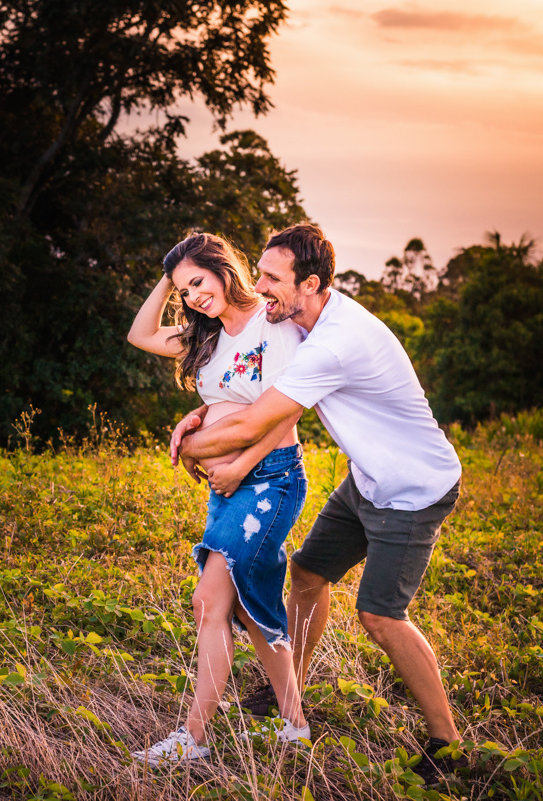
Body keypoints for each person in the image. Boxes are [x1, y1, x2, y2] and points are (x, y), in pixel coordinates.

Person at [170, 223, 465, 786]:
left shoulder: (333, 342)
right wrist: (202, 418)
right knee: (306, 573)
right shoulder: (302, 320)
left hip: (413, 490)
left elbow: (258, 419)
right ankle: (290, 696)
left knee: (380, 615)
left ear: (310, 284)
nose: (259, 288)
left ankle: (447, 744)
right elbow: (247, 394)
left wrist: (184, 444)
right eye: (258, 273)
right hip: (368, 479)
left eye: (272, 279)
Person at [125, 232, 311, 768]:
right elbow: (140, 334)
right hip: (226, 483)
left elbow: (285, 411)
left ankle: (194, 737)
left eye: (198, 282)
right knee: (250, 610)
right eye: (183, 290)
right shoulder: (204, 335)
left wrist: (237, 466)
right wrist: (170, 272)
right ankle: (295, 725)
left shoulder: (270, 324)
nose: (192, 297)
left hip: (269, 478)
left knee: (209, 599)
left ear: (223, 269)